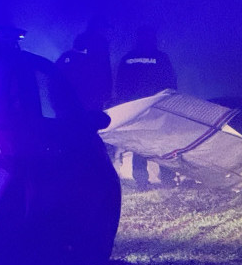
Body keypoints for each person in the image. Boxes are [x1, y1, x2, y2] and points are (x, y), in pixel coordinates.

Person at [114, 25, 177, 189]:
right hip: (158, 107)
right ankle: (167, 178)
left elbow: (120, 84)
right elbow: (171, 83)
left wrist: (124, 105)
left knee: (138, 142)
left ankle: (141, 179)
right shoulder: (161, 58)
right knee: (163, 141)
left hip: (135, 108)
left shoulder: (128, 58)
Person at [57, 20, 112, 111]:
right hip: (91, 95)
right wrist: (106, 92)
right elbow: (106, 71)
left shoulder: (67, 56)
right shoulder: (101, 45)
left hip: (72, 98)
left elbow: (56, 76)